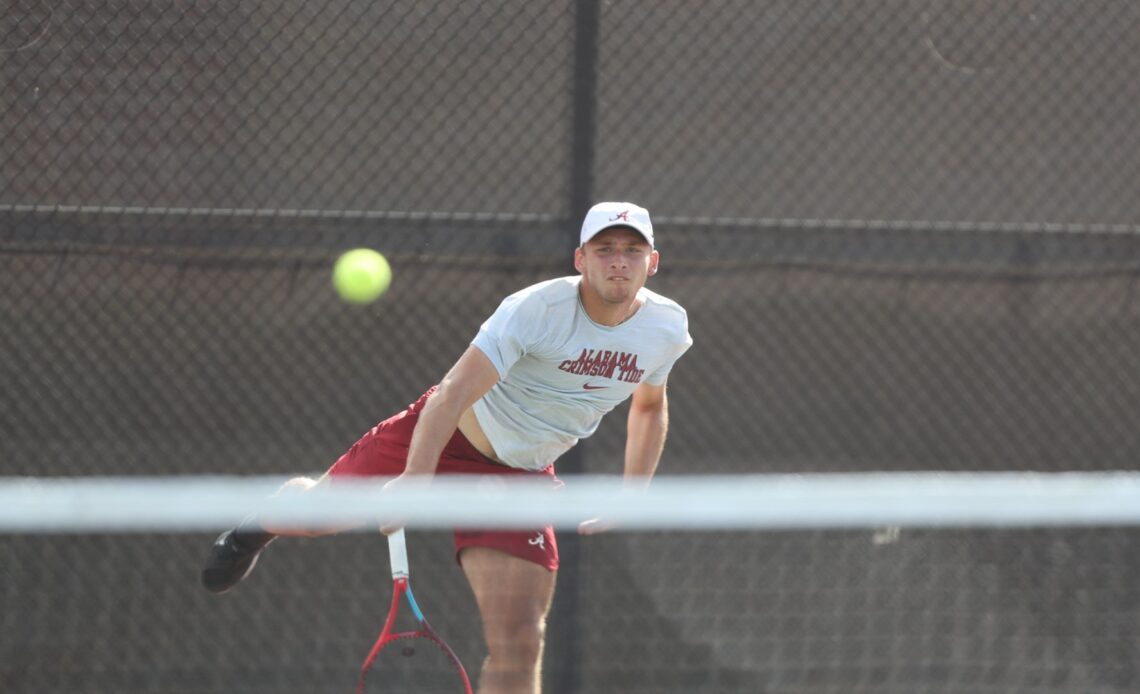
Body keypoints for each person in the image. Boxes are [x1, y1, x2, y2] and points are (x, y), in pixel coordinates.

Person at [201, 201, 692, 694]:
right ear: (580, 259)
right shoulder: (534, 310)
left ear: (653, 262)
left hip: (518, 477)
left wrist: (634, 494)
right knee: (314, 520)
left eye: (632, 250)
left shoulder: (665, 328)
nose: (619, 261)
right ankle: (261, 522)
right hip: (446, 434)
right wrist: (415, 479)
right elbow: (453, 391)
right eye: (604, 249)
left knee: (521, 642)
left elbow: (649, 407)